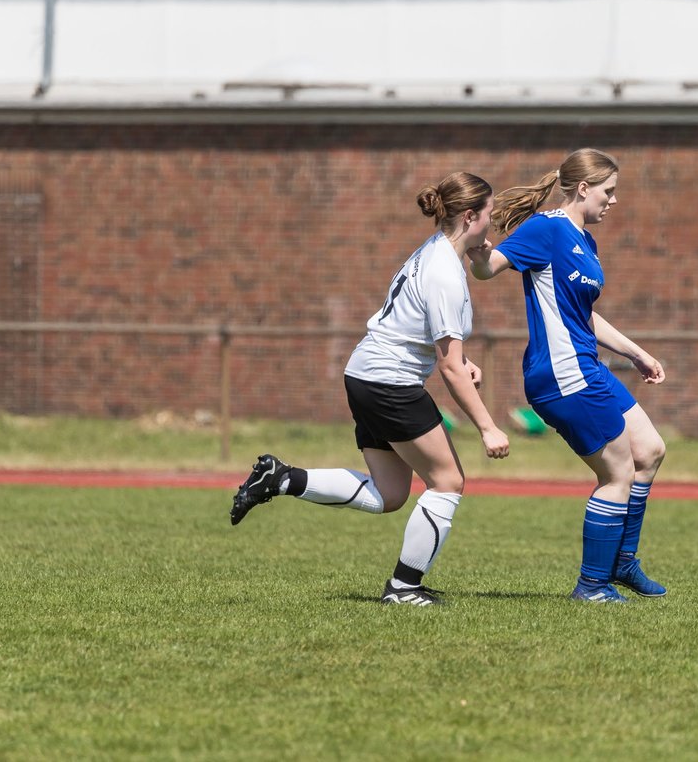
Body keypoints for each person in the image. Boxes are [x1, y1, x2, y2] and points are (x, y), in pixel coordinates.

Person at [230, 171, 510, 606]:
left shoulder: (432, 254)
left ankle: (282, 478)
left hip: (367, 375)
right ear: (471, 215)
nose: (492, 223)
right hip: (388, 383)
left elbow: (419, 330)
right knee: (448, 482)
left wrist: (462, 359)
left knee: (391, 494)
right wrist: (488, 427)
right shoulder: (444, 273)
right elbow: (450, 368)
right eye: (489, 214)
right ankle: (403, 588)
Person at [468, 148, 667, 603]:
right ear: (583, 188)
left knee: (650, 451)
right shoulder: (546, 229)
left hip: (585, 365)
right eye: (608, 191)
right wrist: (479, 254)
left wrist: (636, 353)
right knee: (617, 472)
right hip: (561, 373)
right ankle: (592, 585)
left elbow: (582, 316)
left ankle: (621, 562)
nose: (613, 201)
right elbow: (488, 270)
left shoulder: (584, 240)